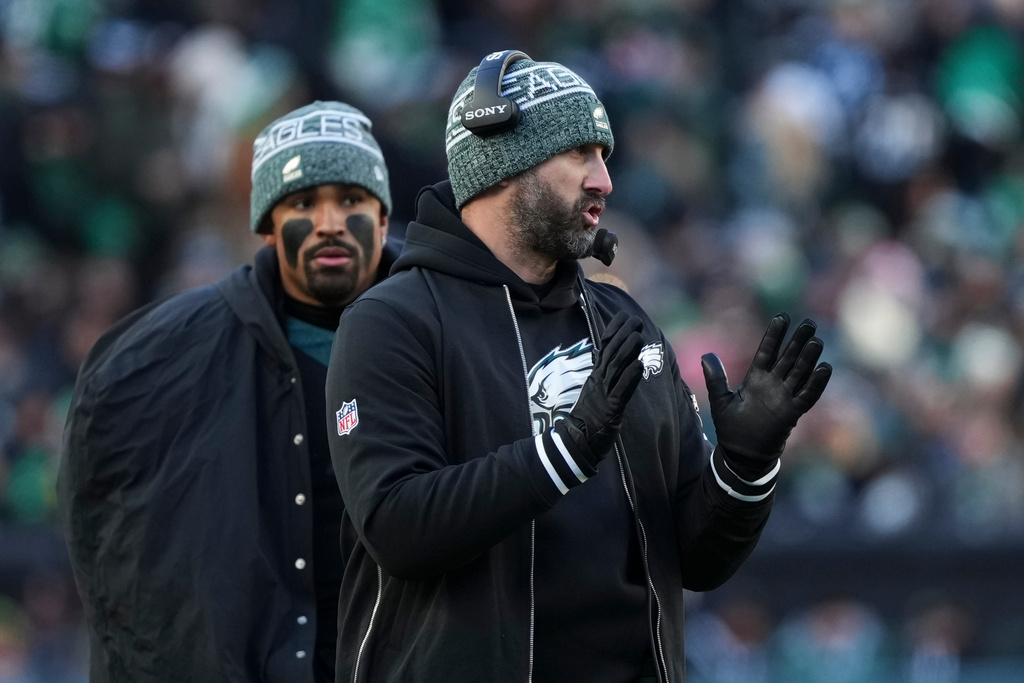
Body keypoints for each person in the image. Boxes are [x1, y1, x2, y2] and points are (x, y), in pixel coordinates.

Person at [325, 51, 833, 683]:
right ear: (500, 164)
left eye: (605, 157)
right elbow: (397, 528)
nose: (604, 181)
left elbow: (695, 562)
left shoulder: (625, 321)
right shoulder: (392, 321)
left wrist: (745, 468)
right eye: (579, 155)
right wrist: (564, 450)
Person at [57, 100, 397, 683]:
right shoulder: (160, 356)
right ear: (266, 226)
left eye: (350, 199)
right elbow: (110, 539)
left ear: (384, 217)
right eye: (302, 202)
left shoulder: (448, 330)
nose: (329, 222)